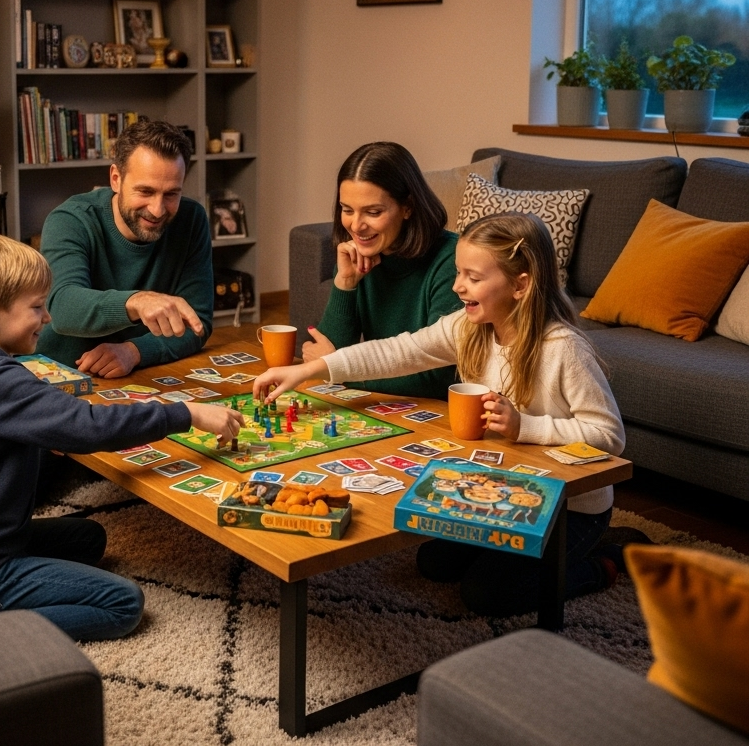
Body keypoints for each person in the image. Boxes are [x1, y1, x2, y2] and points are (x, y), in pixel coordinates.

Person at [254, 212, 627, 618]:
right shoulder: (469, 327)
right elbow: (399, 351)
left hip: (570, 508)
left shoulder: (563, 349)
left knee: (486, 595)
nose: (457, 286)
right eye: (458, 272)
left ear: (520, 285)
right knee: (434, 562)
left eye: (473, 277)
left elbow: (609, 434)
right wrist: (309, 370)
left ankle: (603, 562)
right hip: (503, 492)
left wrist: (526, 426)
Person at [0, 234, 243, 641]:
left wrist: (37, 436)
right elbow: (91, 425)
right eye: (36, 307)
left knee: (89, 539)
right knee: (123, 604)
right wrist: (187, 413)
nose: (47, 318)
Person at [37, 119, 212, 378]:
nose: (157, 210)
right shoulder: (69, 220)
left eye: (171, 194)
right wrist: (137, 301)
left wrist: (134, 351)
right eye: (145, 191)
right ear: (116, 179)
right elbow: (62, 307)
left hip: (141, 374)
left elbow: (197, 322)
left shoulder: (192, 219)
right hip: (61, 373)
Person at [303, 142, 461, 399]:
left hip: (440, 410)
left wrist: (339, 369)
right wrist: (345, 282)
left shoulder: (453, 261)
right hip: (387, 406)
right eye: (347, 210)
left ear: (408, 207)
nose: (356, 225)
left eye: (373, 212)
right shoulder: (358, 257)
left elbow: (438, 376)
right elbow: (329, 350)